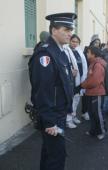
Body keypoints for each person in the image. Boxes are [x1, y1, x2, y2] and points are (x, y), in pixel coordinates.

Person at [28, 13, 77, 170]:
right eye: (66, 29)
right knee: (56, 157)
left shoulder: (60, 51)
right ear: (54, 30)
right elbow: (42, 91)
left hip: (59, 113)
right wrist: (49, 122)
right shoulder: (45, 54)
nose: (70, 33)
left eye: (71, 29)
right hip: (52, 116)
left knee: (50, 154)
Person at [80, 46, 107, 140]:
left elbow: (94, 81)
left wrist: (82, 85)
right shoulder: (93, 63)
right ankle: (94, 130)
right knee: (92, 113)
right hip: (90, 92)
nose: (86, 54)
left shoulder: (98, 65)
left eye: (88, 52)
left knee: (97, 113)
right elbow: (90, 78)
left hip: (97, 93)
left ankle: (102, 131)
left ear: (93, 54)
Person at [66, 34, 88, 128]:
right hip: (71, 80)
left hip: (79, 79)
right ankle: (68, 120)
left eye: (77, 42)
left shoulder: (79, 51)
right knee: (70, 100)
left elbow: (83, 65)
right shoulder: (66, 50)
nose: (75, 43)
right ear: (69, 41)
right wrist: (71, 71)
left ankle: (73, 116)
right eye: (73, 41)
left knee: (76, 99)